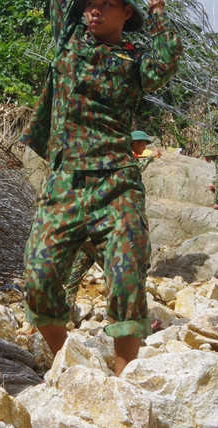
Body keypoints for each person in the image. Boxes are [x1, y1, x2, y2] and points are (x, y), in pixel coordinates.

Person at [19, 0, 182, 375]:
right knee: (39, 276)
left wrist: (159, 8)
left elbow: (165, 64)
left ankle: (124, 373)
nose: (94, 9)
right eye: (90, 2)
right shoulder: (68, 39)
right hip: (65, 182)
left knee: (127, 277)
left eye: (106, 3)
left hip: (117, 184)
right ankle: (65, 361)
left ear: (126, 12)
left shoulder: (135, 59)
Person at [63, 129, 161, 307]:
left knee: (76, 273)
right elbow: (135, 167)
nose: (145, 146)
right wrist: (151, 157)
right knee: (121, 274)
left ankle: (64, 311)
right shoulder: (125, 163)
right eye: (143, 143)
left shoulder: (106, 161)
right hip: (106, 230)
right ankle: (126, 315)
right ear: (134, 144)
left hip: (88, 228)